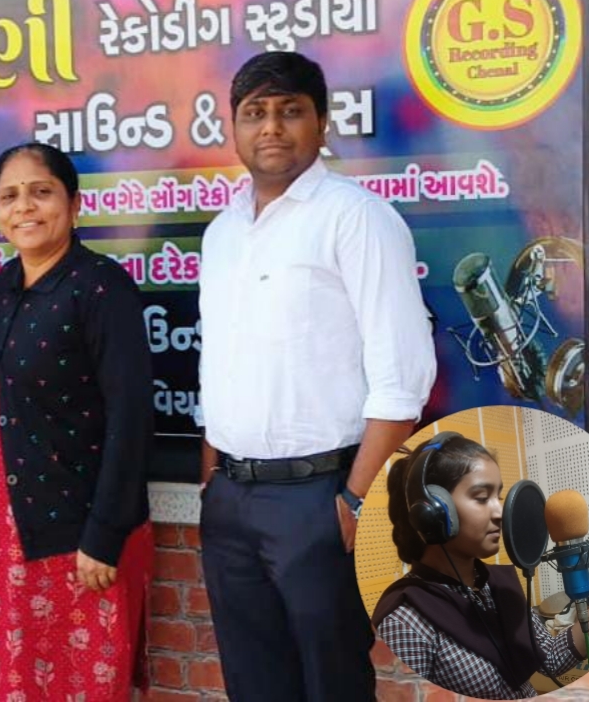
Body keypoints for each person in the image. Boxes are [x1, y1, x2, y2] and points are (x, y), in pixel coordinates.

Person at [197, 51, 436, 701]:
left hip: (321, 498)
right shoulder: (222, 233)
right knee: (254, 684)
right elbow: (218, 363)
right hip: (231, 500)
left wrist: (355, 501)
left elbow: (402, 379)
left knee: (333, 684)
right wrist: (212, 478)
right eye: (255, 113)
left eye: (290, 110)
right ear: (234, 128)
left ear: (322, 123)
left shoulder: (356, 218)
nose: (271, 127)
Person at [0, 142, 155, 701]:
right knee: (8, 677)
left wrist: (104, 534)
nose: (24, 207)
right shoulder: (2, 285)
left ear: (74, 204)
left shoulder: (100, 286)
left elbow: (131, 418)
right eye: (9, 196)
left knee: (75, 680)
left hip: (76, 532)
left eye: (41, 192)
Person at [374, 433, 589, 698]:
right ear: (434, 512)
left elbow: (551, 660)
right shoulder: (405, 620)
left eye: (498, 496)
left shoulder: (501, 586)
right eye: (481, 497)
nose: (499, 512)